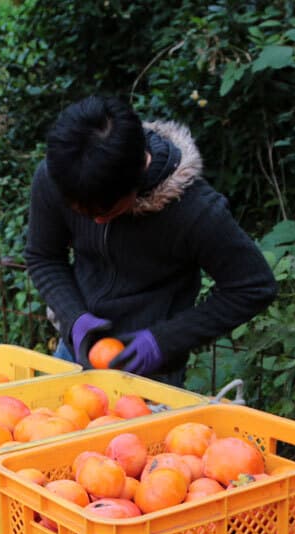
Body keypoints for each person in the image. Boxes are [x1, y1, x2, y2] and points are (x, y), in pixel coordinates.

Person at [24, 95, 277, 387]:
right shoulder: (59, 176)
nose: (95, 221)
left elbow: (253, 286)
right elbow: (44, 256)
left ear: (138, 176)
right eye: (82, 212)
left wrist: (164, 341)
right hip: (75, 352)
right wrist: (74, 318)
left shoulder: (194, 211)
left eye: (106, 211)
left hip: (149, 372)